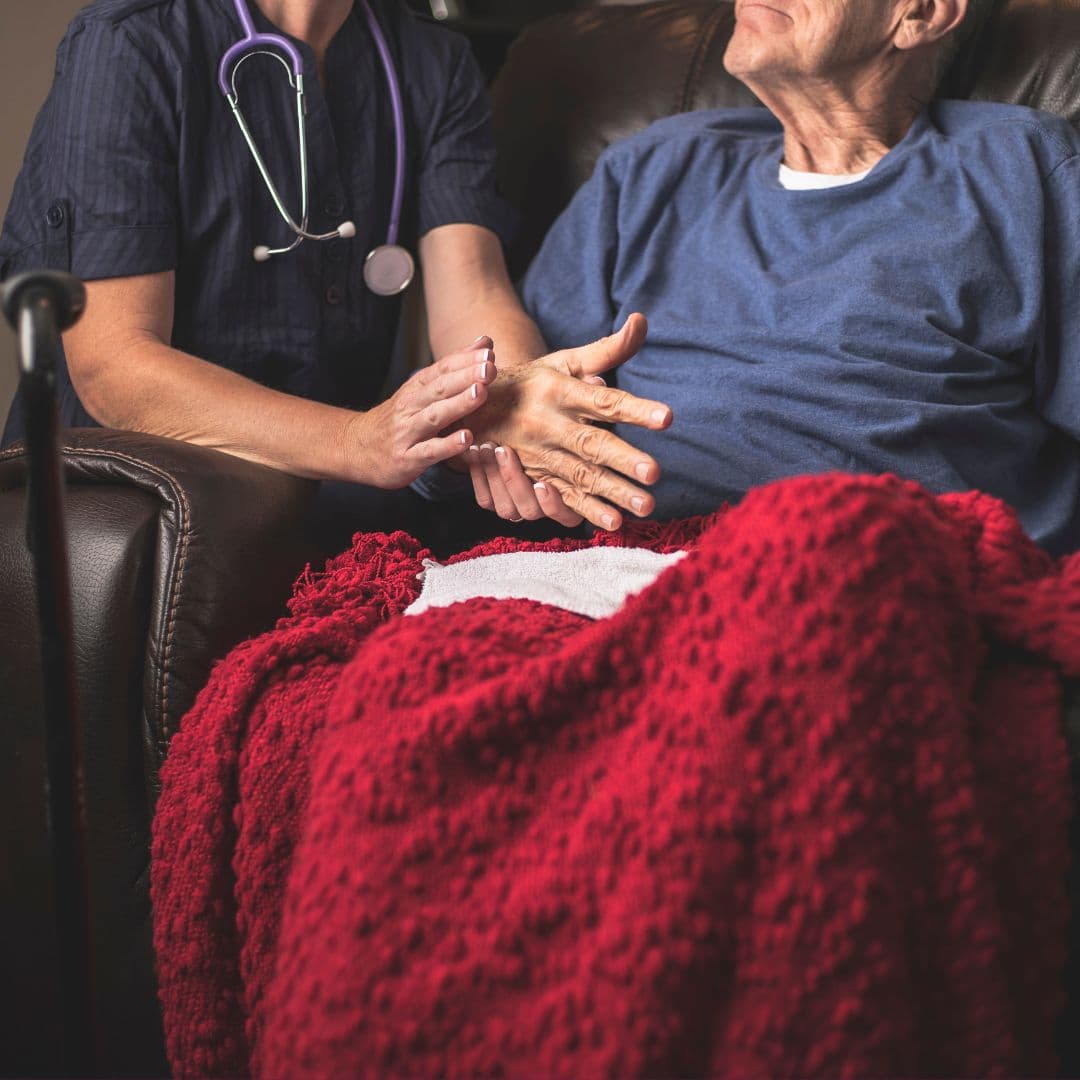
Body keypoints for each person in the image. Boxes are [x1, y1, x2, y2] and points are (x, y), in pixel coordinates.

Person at [0, 0, 673, 533]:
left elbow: (474, 290)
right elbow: (114, 368)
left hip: (328, 489)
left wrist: (518, 399)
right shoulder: (132, 43)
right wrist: (358, 441)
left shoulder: (434, 63)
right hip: (137, 498)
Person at [476, 0, 1080, 557]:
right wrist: (491, 437)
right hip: (635, 566)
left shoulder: (1020, 166)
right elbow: (518, 403)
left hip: (894, 570)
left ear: (920, 12)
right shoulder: (650, 169)